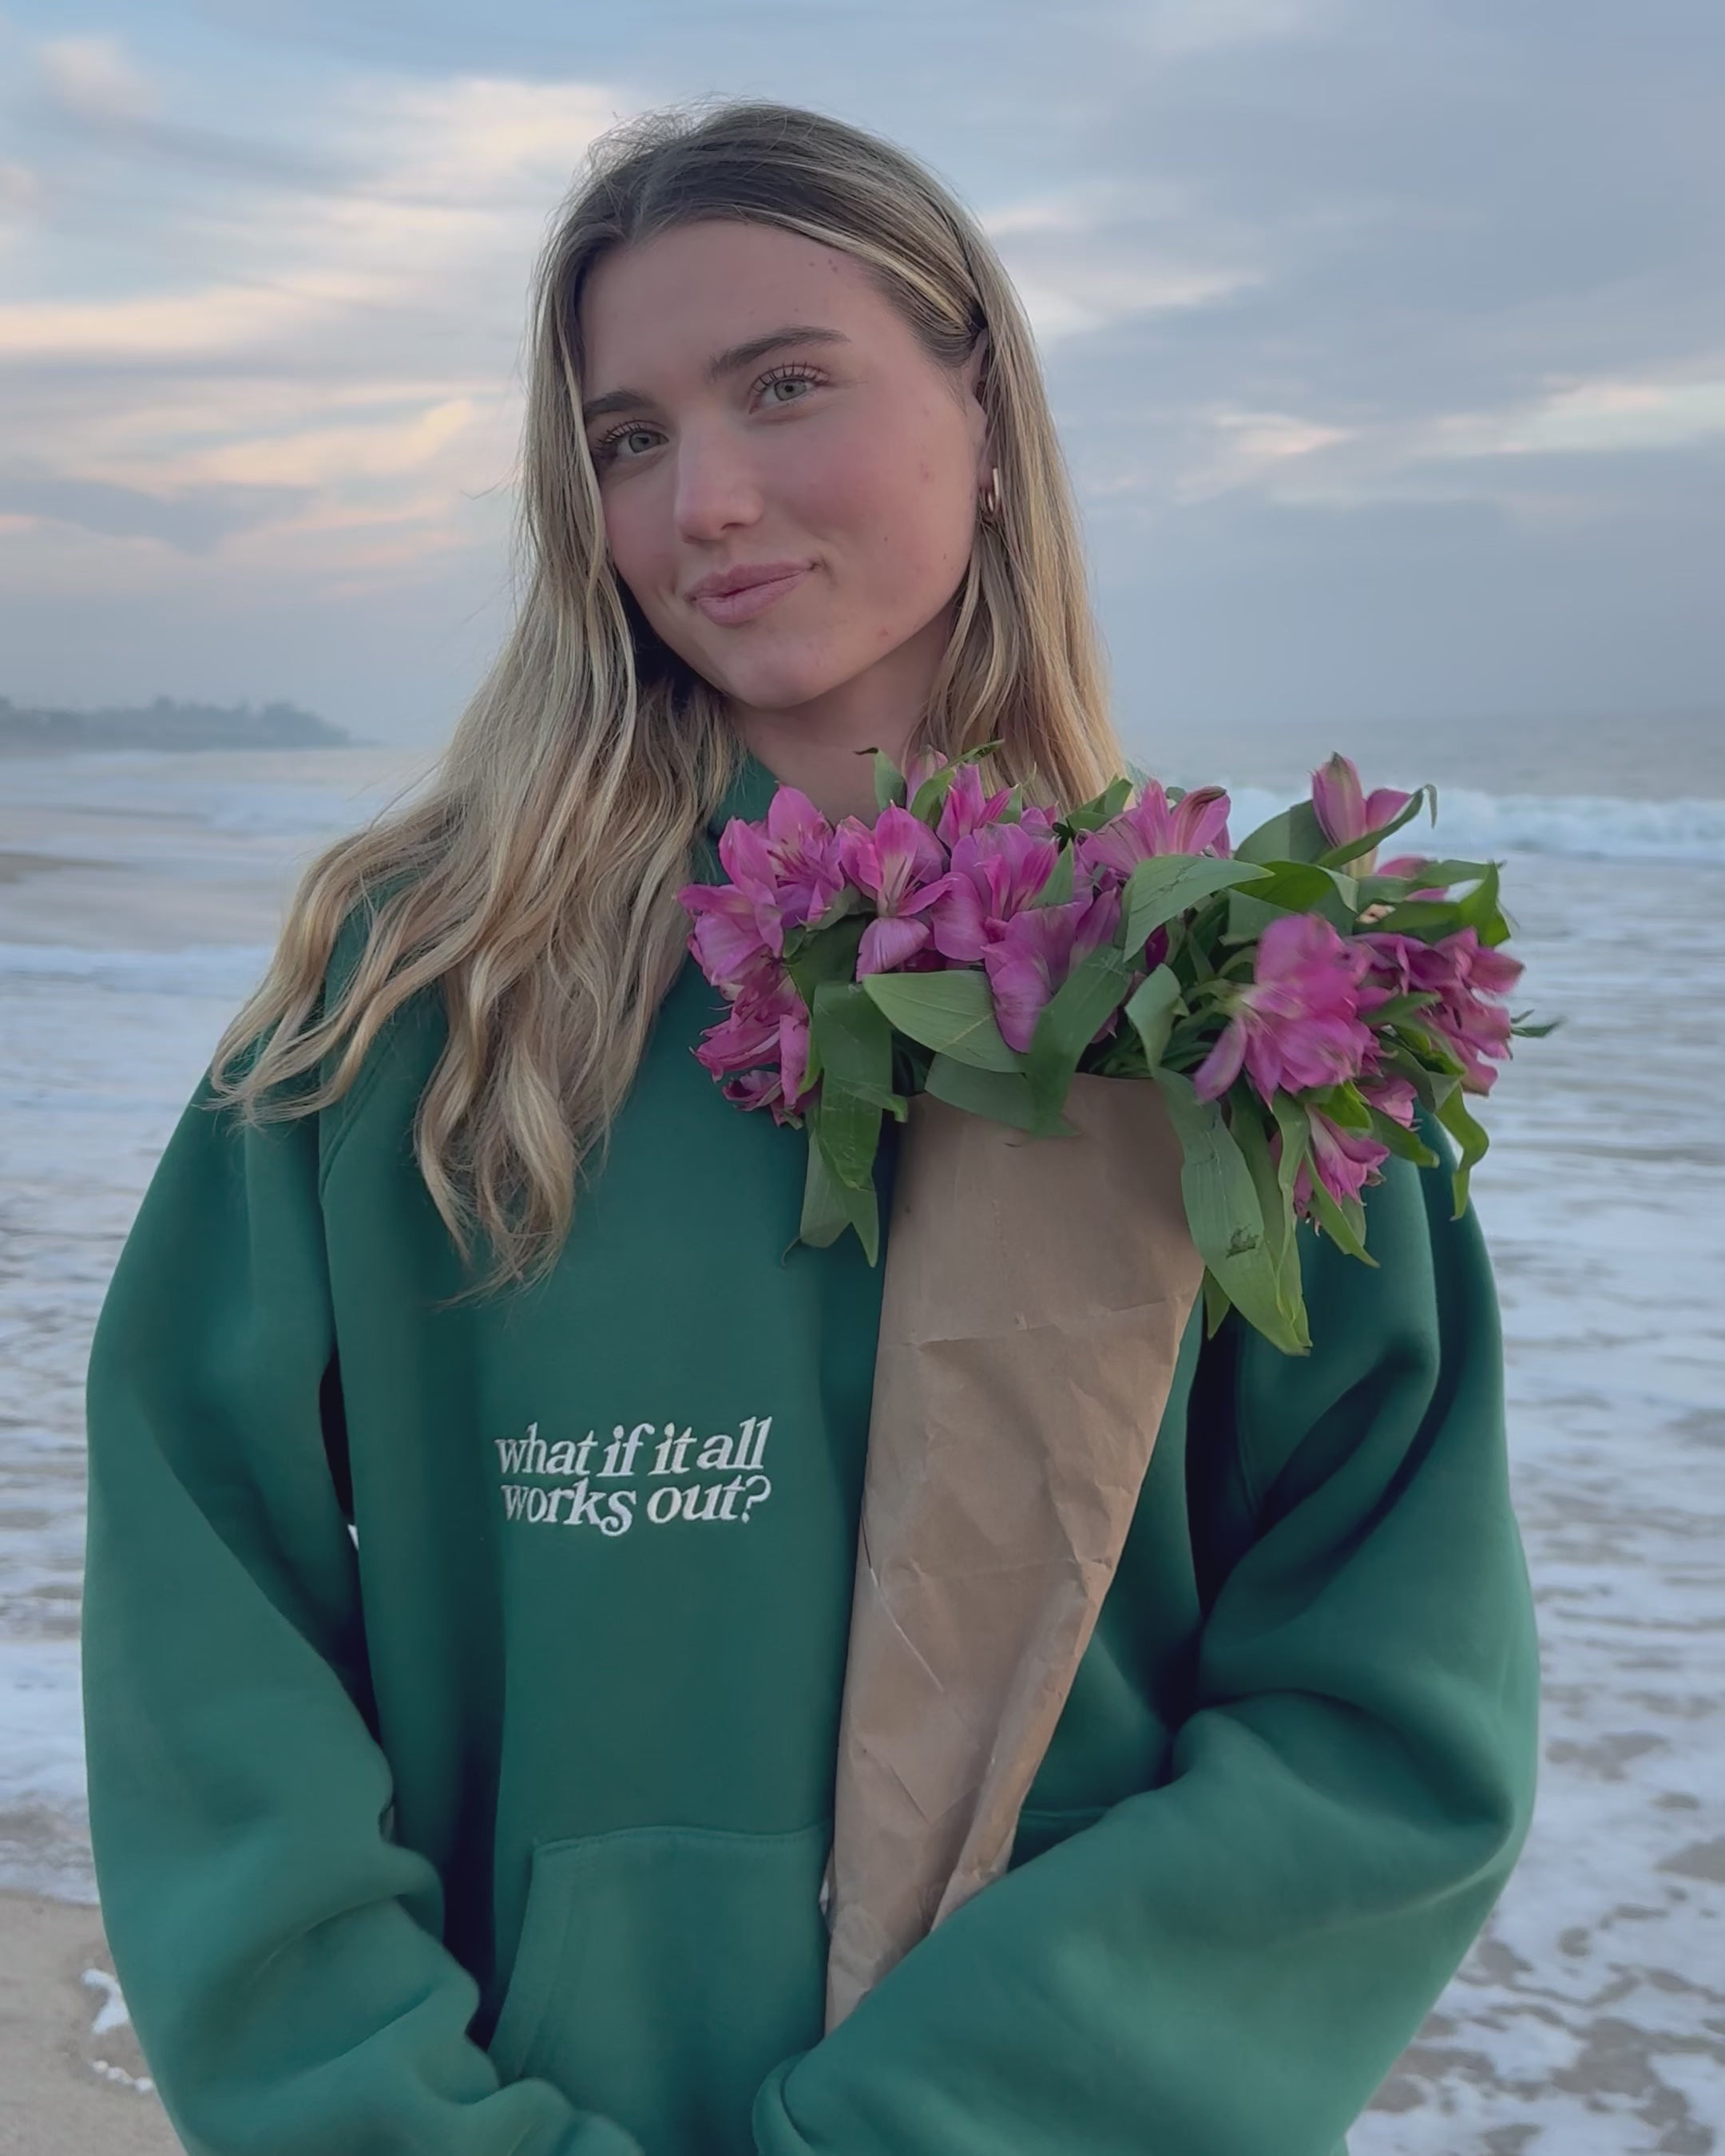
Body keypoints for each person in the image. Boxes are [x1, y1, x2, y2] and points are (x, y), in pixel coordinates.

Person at [80, 96, 1541, 2156]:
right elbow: (203, 1627)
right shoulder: (425, 992)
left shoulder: (1248, 1005)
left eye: (786, 388)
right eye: (628, 438)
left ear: (985, 399)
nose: (710, 502)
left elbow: (1392, 1723)